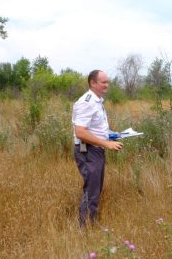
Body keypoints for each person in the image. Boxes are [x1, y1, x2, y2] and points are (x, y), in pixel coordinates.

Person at [72, 70, 123, 227]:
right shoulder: (86, 102)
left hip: (95, 149)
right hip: (87, 150)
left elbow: (96, 129)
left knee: (96, 188)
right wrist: (106, 143)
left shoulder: (97, 102)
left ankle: (90, 222)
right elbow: (80, 132)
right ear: (92, 83)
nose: (106, 85)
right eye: (103, 82)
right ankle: (85, 228)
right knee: (92, 189)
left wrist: (113, 135)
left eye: (107, 82)